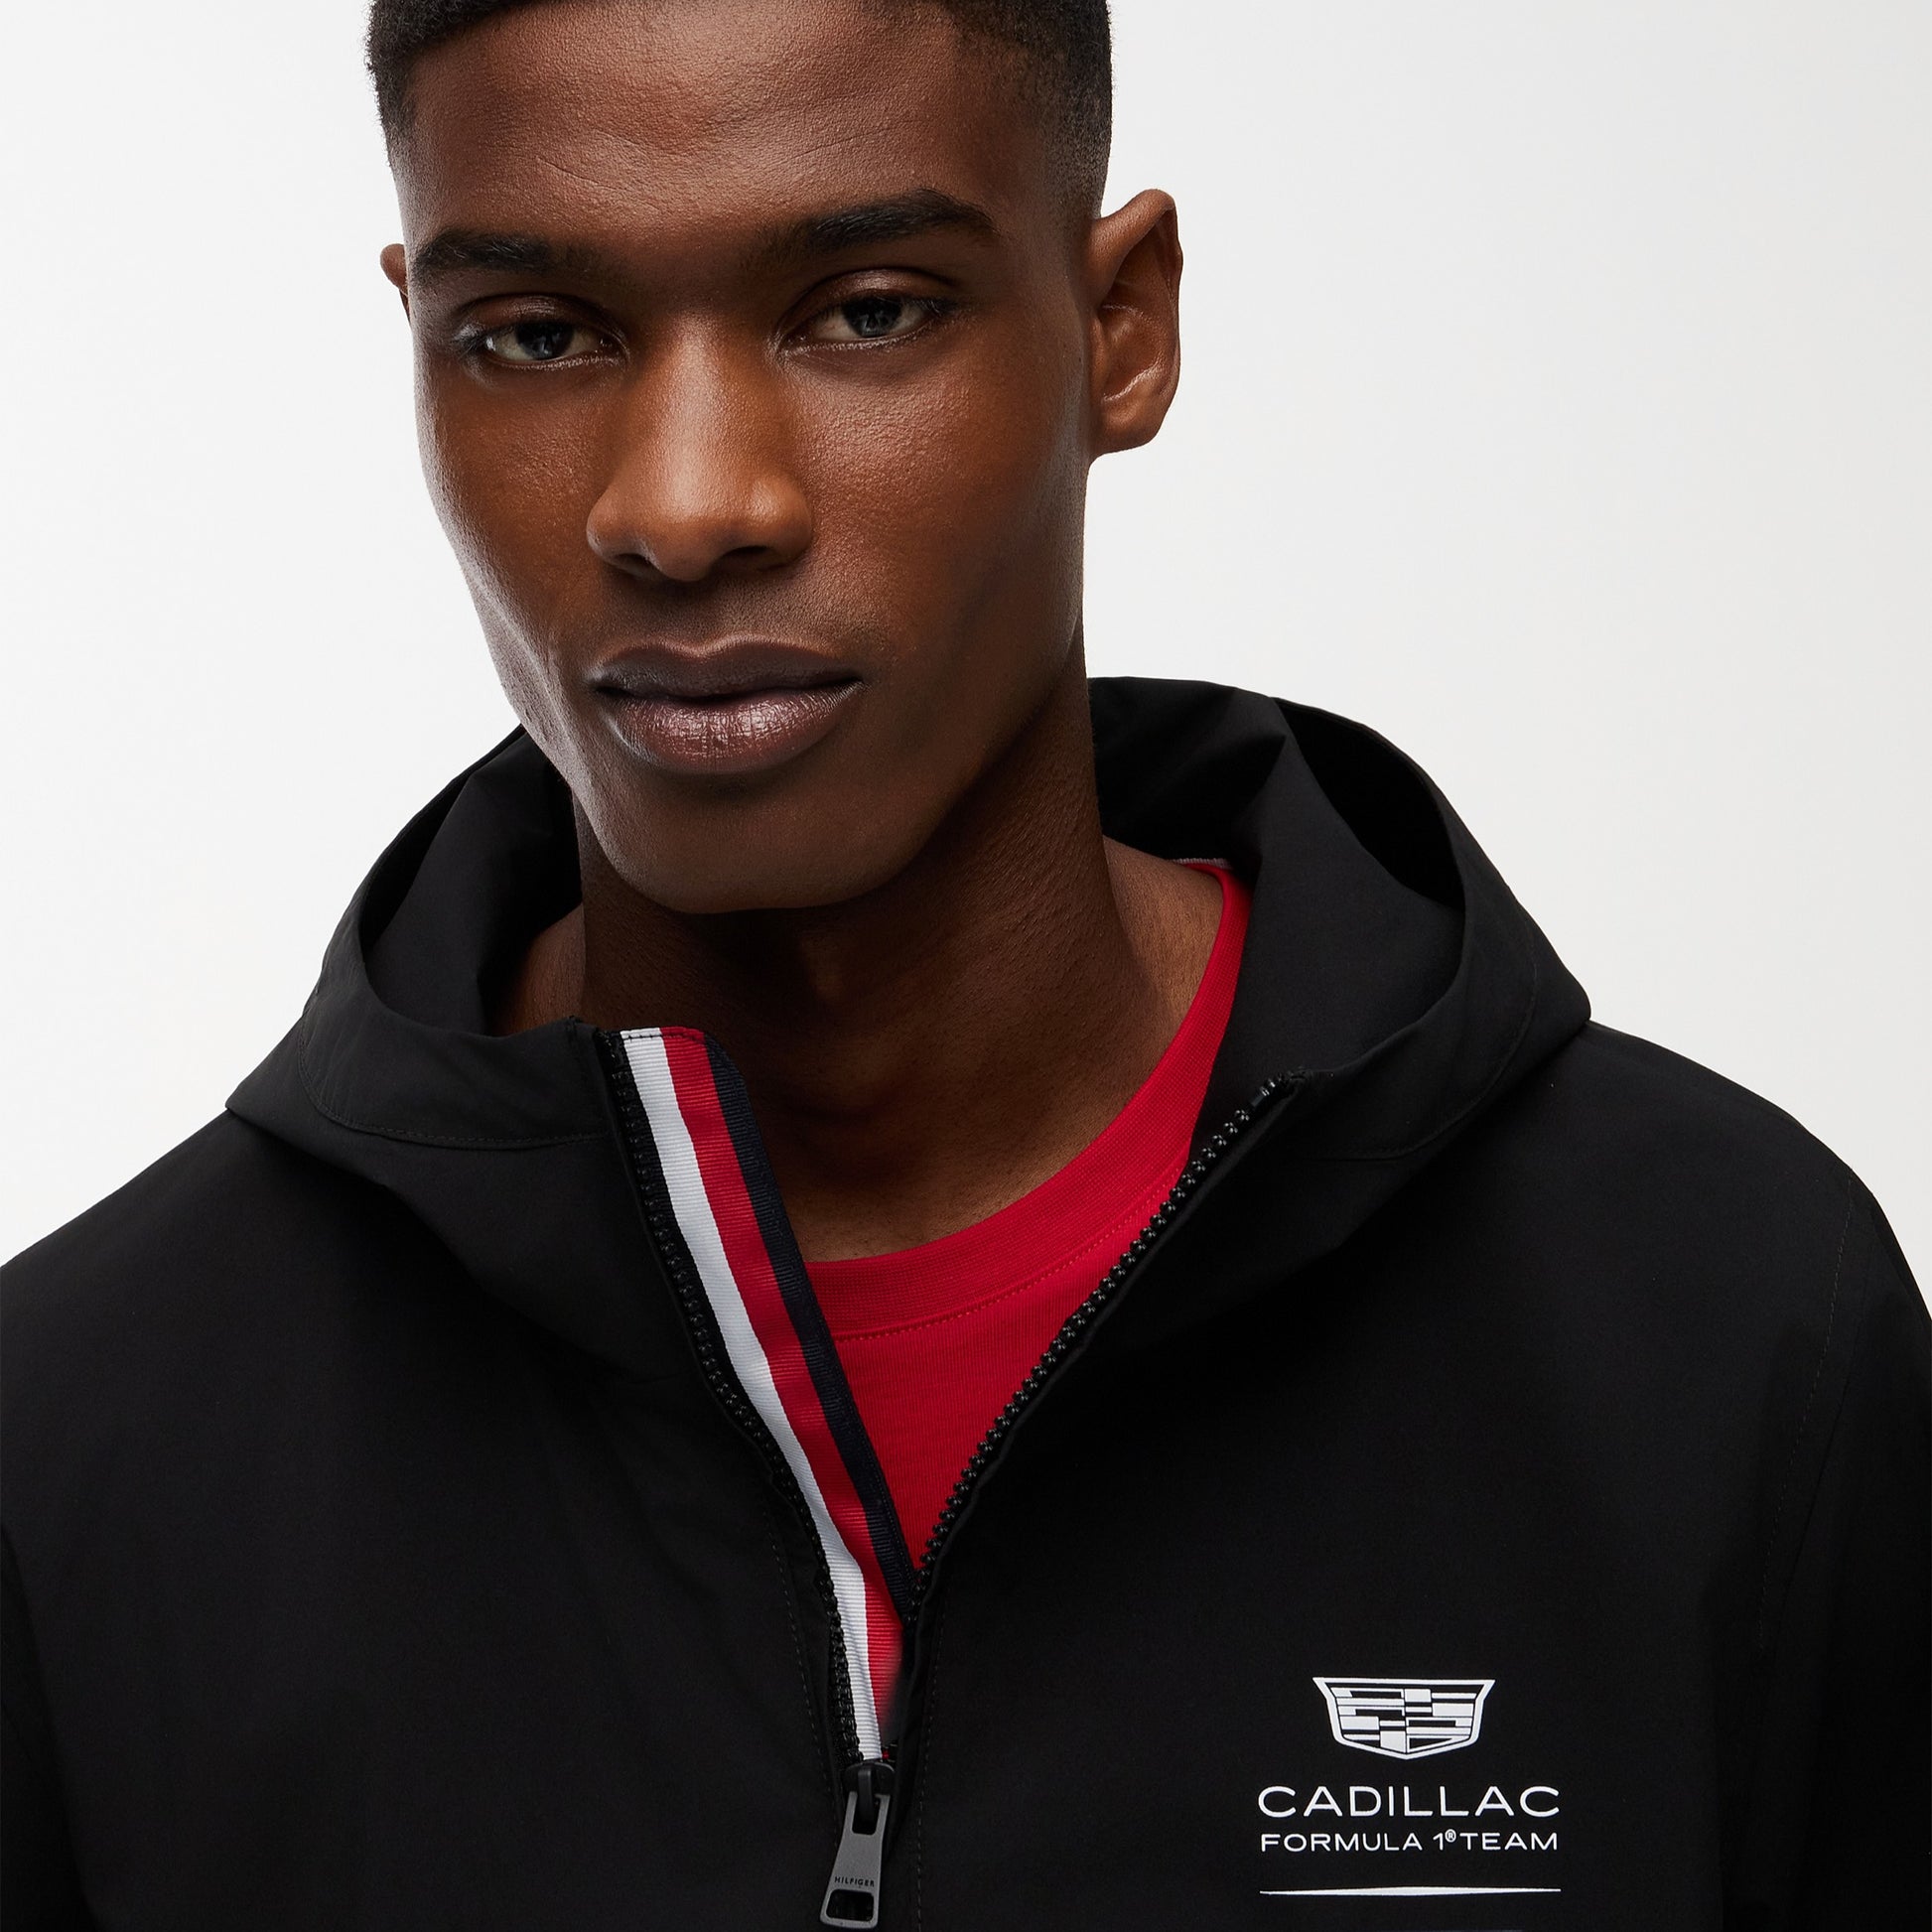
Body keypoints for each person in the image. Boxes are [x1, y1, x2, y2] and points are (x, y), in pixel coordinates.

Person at [3, 0, 1924, 1925]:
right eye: (537, 336)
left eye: (864, 310)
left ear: (1119, 326)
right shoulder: (82, 1451)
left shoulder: (1725, 1329)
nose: (686, 504)